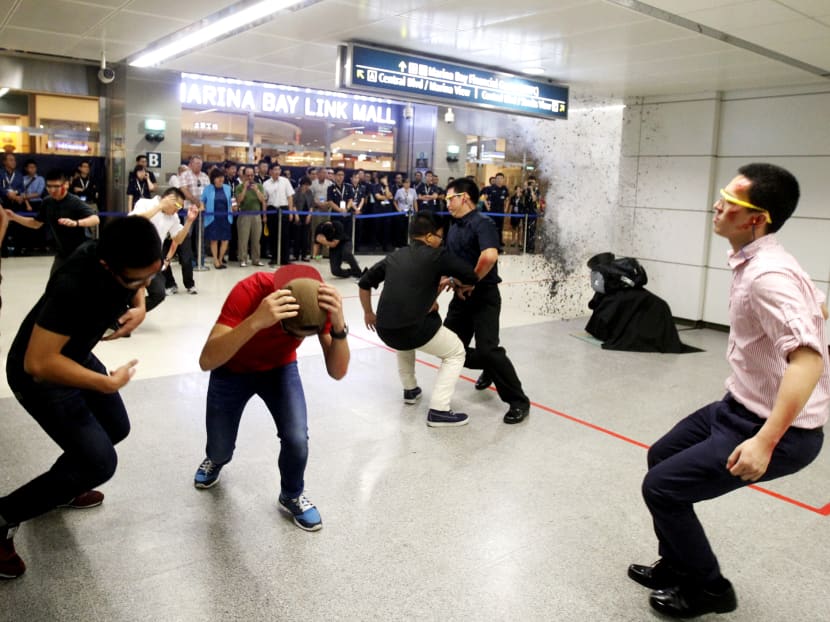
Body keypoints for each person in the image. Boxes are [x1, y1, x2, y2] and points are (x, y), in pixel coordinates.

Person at [629, 163, 829, 618]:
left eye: (729, 202)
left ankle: (710, 590)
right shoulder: (759, 259)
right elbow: (812, 303)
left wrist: (765, 441)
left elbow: (809, 360)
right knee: (661, 456)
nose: (716, 205)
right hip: (735, 406)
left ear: (756, 217)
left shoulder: (767, 275)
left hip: (778, 429)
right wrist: (813, 309)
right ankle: (678, 564)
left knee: (661, 488)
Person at [0, 216, 163, 579]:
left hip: (74, 353)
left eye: (154, 272)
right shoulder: (76, 283)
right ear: (110, 267)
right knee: (100, 464)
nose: (148, 284)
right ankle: (4, 517)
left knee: (115, 428)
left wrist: (137, 305)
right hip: (40, 372)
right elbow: (39, 362)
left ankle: (63, 485)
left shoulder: (118, 257)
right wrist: (103, 384)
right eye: (139, 280)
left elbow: (140, 280)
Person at [192, 264, 350, 532]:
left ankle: (291, 494)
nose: (297, 339)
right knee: (220, 448)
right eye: (293, 334)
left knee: (297, 438)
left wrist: (337, 325)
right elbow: (207, 360)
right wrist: (256, 321)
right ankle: (216, 459)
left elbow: (337, 372)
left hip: (280, 368)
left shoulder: (317, 299)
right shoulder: (249, 290)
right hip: (231, 368)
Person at [358, 213, 479, 427]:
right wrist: (452, 280)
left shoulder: (394, 256)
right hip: (414, 328)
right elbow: (471, 275)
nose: (441, 241)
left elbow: (364, 283)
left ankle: (410, 389)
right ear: (430, 237)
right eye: (440, 237)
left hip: (385, 329)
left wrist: (368, 313)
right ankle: (439, 410)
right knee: (456, 352)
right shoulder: (437, 255)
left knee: (404, 338)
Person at [442, 177, 531, 424]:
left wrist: (471, 281)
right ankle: (492, 366)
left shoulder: (483, 223)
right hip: (460, 298)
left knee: (488, 349)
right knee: (449, 347)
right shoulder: (454, 226)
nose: (447, 203)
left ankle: (518, 401)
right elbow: (450, 261)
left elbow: (489, 256)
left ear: (464, 197)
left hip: (484, 295)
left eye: (450, 198)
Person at [4, 169, 100, 275]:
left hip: (81, 253)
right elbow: (36, 223)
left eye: (56, 186)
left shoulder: (74, 201)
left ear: (66, 185)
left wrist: (76, 223)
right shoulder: (47, 202)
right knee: (54, 285)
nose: (52, 190)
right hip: (62, 254)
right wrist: (14, 217)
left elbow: (95, 219)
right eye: (49, 186)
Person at [130, 187, 197, 311]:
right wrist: (159, 207)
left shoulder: (173, 217)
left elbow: (178, 239)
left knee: (159, 293)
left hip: (151, 260)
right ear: (168, 198)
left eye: (180, 207)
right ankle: (120, 316)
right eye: (177, 205)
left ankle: (128, 314)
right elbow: (135, 222)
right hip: (131, 255)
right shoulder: (145, 203)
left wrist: (188, 222)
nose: (177, 209)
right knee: (126, 291)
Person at [202, 168, 234, 270]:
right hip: (213, 218)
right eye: (218, 177)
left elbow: (232, 200)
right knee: (214, 240)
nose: (221, 179)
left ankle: (221, 259)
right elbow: (202, 200)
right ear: (213, 179)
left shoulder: (228, 188)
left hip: (225, 217)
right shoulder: (208, 189)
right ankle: (215, 260)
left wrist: (235, 206)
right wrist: (203, 207)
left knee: (225, 240)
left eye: (222, 177)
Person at [235, 166, 266, 268]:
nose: (250, 177)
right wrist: (244, 188)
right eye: (247, 175)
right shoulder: (239, 187)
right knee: (243, 239)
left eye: (252, 175)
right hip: (244, 215)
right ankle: (243, 259)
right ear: (243, 176)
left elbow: (262, 200)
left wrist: (257, 190)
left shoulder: (259, 186)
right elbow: (239, 201)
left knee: (256, 239)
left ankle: (256, 259)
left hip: (256, 215)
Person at [292, 175, 314, 262]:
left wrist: (309, 215)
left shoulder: (310, 192)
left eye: (308, 185)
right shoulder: (296, 191)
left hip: (307, 215)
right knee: (297, 236)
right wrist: (296, 215)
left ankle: (304, 255)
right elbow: (293, 204)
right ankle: (295, 255)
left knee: (305, 236)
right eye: (305, 185)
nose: (306, 187)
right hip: (297, 214)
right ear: (301, 184)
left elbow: (312, 205)